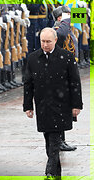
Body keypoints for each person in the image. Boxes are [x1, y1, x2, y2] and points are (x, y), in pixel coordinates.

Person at [23, 27, 83, 178]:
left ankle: (49, 172)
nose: (45, 44)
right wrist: (28, 106)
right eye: (42, 41)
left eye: (48, 41)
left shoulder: (67, 57)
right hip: (43, 105)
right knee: (49, 141)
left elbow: (74, 82)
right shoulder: (33, 58)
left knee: (55, 140)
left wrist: (77, 105)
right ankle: (56, 175)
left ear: (55, 40)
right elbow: (28, 84)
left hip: (62, 105)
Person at [52, 5, 78, 151]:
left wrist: (81, 9)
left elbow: (81, 19)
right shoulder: (55, 30)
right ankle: (58, 141)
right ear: (60, 18)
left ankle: (61, 140)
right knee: (59, 108)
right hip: (59, 74)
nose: (70, 17)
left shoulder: (66, 27)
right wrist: (65, 20)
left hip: (68, 72)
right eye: (67, 15)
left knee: (66, 108)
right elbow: (60, 36)